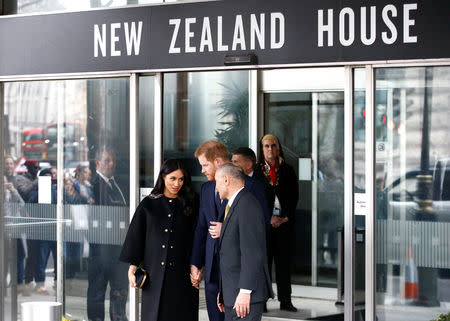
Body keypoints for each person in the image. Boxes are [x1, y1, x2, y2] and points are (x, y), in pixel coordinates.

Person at [190, 140, 269, 321]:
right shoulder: (206, 188)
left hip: (241, 273)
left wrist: (224, 228)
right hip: (214, 272)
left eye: (205, 165)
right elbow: (201, 229)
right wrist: (196, 263)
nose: (202, 170)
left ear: (218, 162)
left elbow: (258, 231)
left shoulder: (249, 189)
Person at [119, 159, 199, 321]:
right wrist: (132, 268)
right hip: (154, 275)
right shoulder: (149, 204)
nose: (177, 184)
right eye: (173, 178)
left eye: (181, 179)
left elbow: (199, 237)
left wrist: (198, 265)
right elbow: (136, 236)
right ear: (163, 177)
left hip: (182, 277)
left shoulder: (192, 203)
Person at [215, 163, 273, 321]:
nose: (216, 187)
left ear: (226, 180)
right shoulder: (236, 203)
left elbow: (252, 252)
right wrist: (224, 292)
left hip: (244, 297)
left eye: (217, 182)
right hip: (233, 293)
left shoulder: (247, 204)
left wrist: (245, 292)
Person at [254, 134, 299, 312]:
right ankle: (262, 299)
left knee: (283, 264)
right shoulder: (257, 171)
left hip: (284, 224)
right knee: (263, 263)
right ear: (262, 149)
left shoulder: (288, 170)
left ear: (278, 147)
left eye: (273, 145)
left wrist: (285, 217)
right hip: (264, 226)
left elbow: (294, 196)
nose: (270, 149)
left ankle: (285, 300)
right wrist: (268, 218)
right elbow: (255, 199)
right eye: (266, 146)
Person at [87, 148, 128, 321]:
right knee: (97, 290)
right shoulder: (93, 186)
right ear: (97, 163)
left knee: (119, 290)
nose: (112, 164)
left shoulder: (119, 185)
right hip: (100, 249)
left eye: (113, 161)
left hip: (118, 249)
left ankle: (118, 317)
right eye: (107, 160)